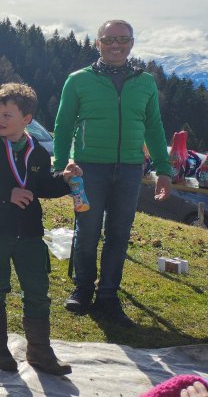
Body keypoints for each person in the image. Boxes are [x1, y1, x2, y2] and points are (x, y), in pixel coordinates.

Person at [53, 20, 173, 327]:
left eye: (122, 39)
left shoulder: (145, 82)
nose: (115, 45)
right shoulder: (78, 80)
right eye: (108, 40)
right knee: (87, 232)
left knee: (119, 235)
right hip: (88, 169)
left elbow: (154, 127)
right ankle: (82, 290)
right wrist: (60, 166)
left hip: (131, 170)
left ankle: (108, 295)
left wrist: (163, 169)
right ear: (98, 43)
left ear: (131, 43)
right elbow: (63, 125)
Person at [0, 83, 79, 375]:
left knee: (38, 292)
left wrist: (64, 180)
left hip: (29, 234)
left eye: (7, 115)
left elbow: (42, 187)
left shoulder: (36, 152)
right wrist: (7, 194)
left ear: (27, 118)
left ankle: (39, 350)